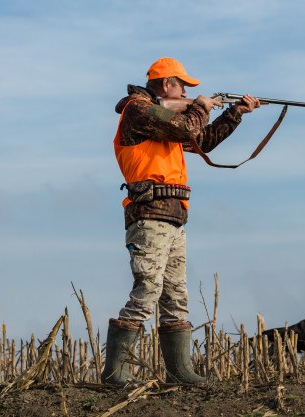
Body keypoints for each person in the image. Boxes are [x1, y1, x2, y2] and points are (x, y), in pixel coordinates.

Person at [102, 57, 260, 385]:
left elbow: (203, 140)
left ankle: (180, 372)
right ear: (165, 84)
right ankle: (115, 372)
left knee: (176, 295)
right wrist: (200, 106)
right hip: (149, 214)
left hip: (173, 216)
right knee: (148, 288)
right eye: (182, 85)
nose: (187, 90)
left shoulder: (164, 121)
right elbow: (188, 126)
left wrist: (235, 113)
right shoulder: (139, 109)